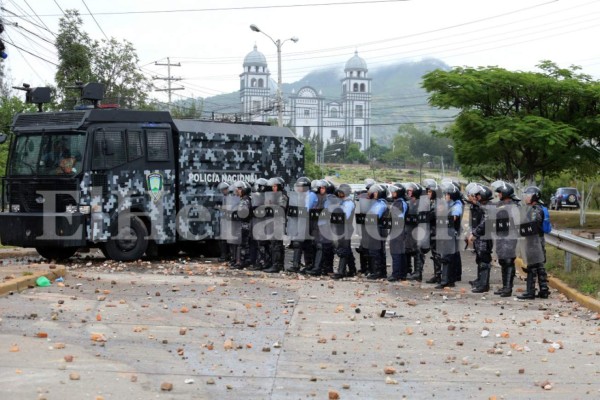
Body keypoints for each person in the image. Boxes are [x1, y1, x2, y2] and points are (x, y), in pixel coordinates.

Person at [517, 186, 550, 300]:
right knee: (540, 265)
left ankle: (530, 292)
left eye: (528, 196)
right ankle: (544, 290)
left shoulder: (535, 209)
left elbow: (534, 224)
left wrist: (522, 229)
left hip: (533, 240)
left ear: (534, 197)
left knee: (532, 266)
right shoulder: (538, 208)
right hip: (538, 239)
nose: (526, 198)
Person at [491, 181, 520, 297]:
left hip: (509, 237)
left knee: (508, 261)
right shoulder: (501, 205)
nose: (498, 195)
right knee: (503, 261)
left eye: (500, 193)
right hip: (501, 237)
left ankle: (508, 288)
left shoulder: (512, 206)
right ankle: (504, 286)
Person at [467, 184, 494, 293]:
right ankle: (480, 281)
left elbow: (484, 223)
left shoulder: (488, 207)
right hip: (480, 237)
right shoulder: (482, 205)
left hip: (484, 237)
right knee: (479, 258)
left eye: (477, 195)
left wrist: (475, 233)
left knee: (484, 260)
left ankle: (484, 285)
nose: (475, 197)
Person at [331, 183, 356, 279]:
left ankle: (341, 271)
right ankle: (352, 269)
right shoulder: (342, 202)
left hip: (345, 228)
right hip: (341, 227)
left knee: (343, 249)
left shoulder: (348, 203)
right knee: (347, 249)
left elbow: (345, 216)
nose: (339, 194)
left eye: (341, 192)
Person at [263, 177, 288, 273]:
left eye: (275, 186)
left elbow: (280, 209)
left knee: (276, 244)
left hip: (278, 222)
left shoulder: (282, 196)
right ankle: (277, 264)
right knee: (274, 244)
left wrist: (270, 205)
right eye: (272, 186)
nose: (273, 188)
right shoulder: (274, 196)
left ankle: (277, 265)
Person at [365, 183, 389, 280]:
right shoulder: (377, 203)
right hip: (377, 229)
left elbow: (374, 216)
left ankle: (377, 272)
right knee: (379, 251)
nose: (374, 194)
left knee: (375, 251)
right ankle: (381, 272)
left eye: (375, 193)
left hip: (378, 229)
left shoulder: (381, 204)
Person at [386, 184, 408, 282]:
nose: (393, 193)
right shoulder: (401, 202)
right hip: (400, 230)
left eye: (394, 191)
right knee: (401, 253)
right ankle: (402, 273)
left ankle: (396, 274)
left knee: (396, 252)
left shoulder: (399, 203)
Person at [231, 180, 253, 269]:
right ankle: (239, 261)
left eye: (240, 189)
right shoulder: (243, 199)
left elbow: (244, 214)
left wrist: (238, 215)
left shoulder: (245, 200)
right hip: (241, 225)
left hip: (245, 225)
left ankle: (241, 262)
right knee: (241, 244)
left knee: (242, 244)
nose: (238, 191)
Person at [216, 182, 231, 263]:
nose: (223, 191)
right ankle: (224, 255)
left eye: (224, 190)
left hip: (229, 221)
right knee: (222, 239)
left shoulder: (231, 197)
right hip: (223, 221)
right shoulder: (223, 197)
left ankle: (226, 255)